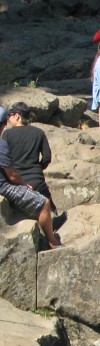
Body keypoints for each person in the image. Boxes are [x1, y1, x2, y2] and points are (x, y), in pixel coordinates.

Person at [0, 106, 61, 249]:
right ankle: (52, 240)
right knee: (46, 204)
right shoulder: (38, 132)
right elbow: (47, 157)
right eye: (7, 118)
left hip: (14, 178)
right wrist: (38, 168)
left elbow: (8, 166)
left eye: (11, 115)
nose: (9, 119)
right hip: (34, 179)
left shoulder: (7, 136)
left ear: (18, 116)